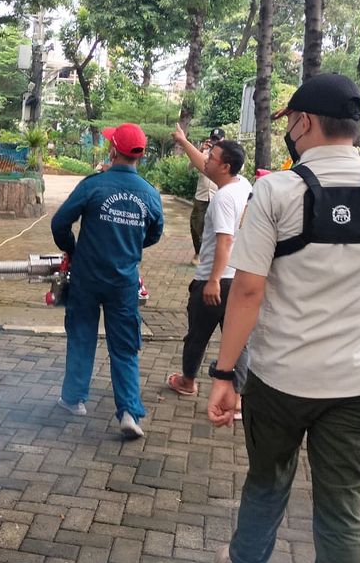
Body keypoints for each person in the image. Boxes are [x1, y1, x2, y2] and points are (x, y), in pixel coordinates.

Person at [204, 73, 360, 563]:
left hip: (280, 378)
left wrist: (223, 376)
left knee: (268, 480)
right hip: (358, 384)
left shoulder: (276, 193)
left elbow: (247, 290)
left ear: (303, 123)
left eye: (290, 123)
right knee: (342, 513)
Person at [51, 122, 164, 438]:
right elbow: (154, 233)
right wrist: (129, 246)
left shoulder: (93, 185)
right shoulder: (150, 194)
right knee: (125, 347)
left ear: (114, 151)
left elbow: (60, 222)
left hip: (86, 277)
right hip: (124, 281)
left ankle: (73, 399)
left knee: (82, 335)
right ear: (138, 156)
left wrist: (72, 249)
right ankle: (129, 412)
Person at [166, 126, 251, 398]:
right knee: (237, 339)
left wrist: (213, 280)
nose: (206, 157)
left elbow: (224, 241)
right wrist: (182, 140)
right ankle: (237, 397)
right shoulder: (242, 184)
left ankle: (188, 382)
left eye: (211, 156)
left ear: (225, 166)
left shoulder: (223, 198)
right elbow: (204, 166)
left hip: (216, 280)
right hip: (237, 278)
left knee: (197, 336)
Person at [189, 128, 225, 262]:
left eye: (218, 139)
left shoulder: (227, 154)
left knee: (217, 226)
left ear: (223, 140)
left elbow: (239, 167)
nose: (214, 142)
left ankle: (212, 256)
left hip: (218, 194)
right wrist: (200, 150)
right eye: (213, 139)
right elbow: (190, 166)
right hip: (202, 194)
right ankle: (198, 252)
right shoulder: (204, 152)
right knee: (196, 224)